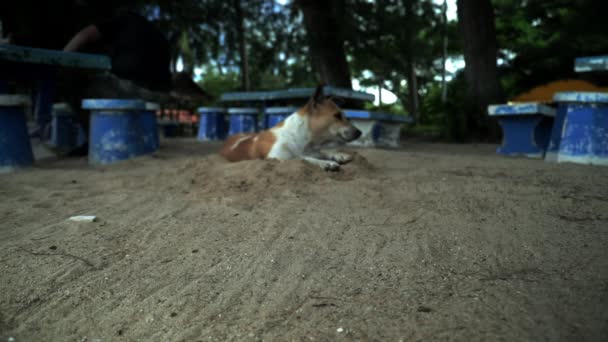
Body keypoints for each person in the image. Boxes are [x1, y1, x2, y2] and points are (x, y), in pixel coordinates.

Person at [61, 6, 172, 155]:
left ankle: (92, 140)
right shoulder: (155, 34)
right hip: (160, 94)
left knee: (75, 86)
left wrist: (63, 58)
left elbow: (85, 34)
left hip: (132, 88)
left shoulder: (121, 20)